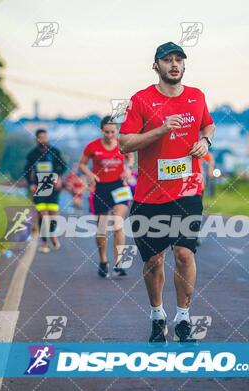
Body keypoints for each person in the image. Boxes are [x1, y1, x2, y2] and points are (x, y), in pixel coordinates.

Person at [119, 42, 215, 343]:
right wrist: (160, 130)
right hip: (150, 195)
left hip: (188, 191)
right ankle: (157, 315)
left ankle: (183, 319)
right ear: (155, 66)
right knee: (153, 261)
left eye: (178, 60)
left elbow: (208, 125)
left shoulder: (196, 96)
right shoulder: (141, 100)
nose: (174, 64)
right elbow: (124, 143)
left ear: (184, 66)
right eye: (167, 60)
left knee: (185, 254)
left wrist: (205, 142)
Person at [79, 116, 134, 278]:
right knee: (102, 228)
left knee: (118, 222)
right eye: (106, 132)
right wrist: (89, 174)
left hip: (118, 187)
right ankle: (103, 261)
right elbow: (82, 163)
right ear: (102, 131)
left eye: (112, 132)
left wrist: (128, 168)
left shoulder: (121, 144)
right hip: (101, 187)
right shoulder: (92, 146)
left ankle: (119, 263)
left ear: (116, 131)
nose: (109, 135)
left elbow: (130, 156)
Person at [24, 129, 67, 253]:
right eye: (40, 137)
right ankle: (44, 243)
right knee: (41, 214)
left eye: (45, 137)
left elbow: (63, 166)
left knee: (53, 215)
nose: (43, 139)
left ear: (47, 138)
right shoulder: (32, 154)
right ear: (36, 139)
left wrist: (58, 177)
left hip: (53, 186)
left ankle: (52, 235)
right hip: (39, 187)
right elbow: (26, 171)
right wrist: (31, 184)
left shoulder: (54, 152)